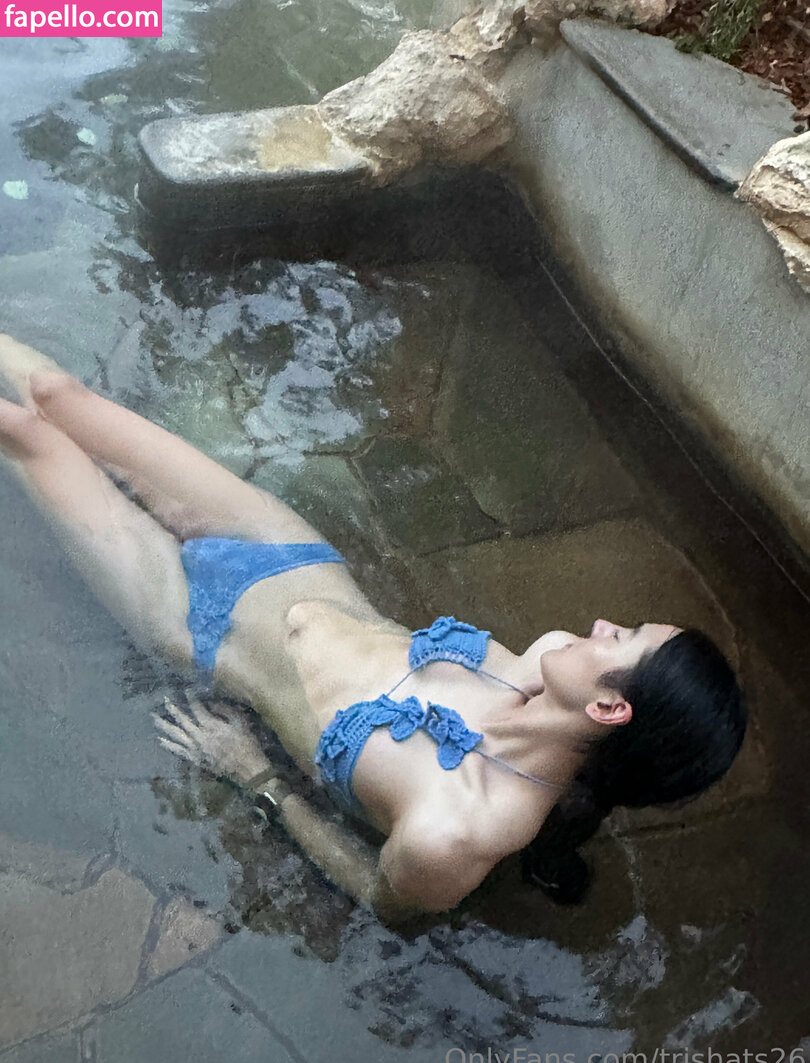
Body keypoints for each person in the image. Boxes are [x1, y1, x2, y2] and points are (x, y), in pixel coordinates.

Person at [0, 333, 747, 919]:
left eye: (624, 639)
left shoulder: (455, 832)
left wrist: (256, 775)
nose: (604, 623)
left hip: (199, 629)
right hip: (283, 550)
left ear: (611, 708)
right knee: (59, 398)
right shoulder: (547, 657)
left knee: (32, 440)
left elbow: (379, 898)